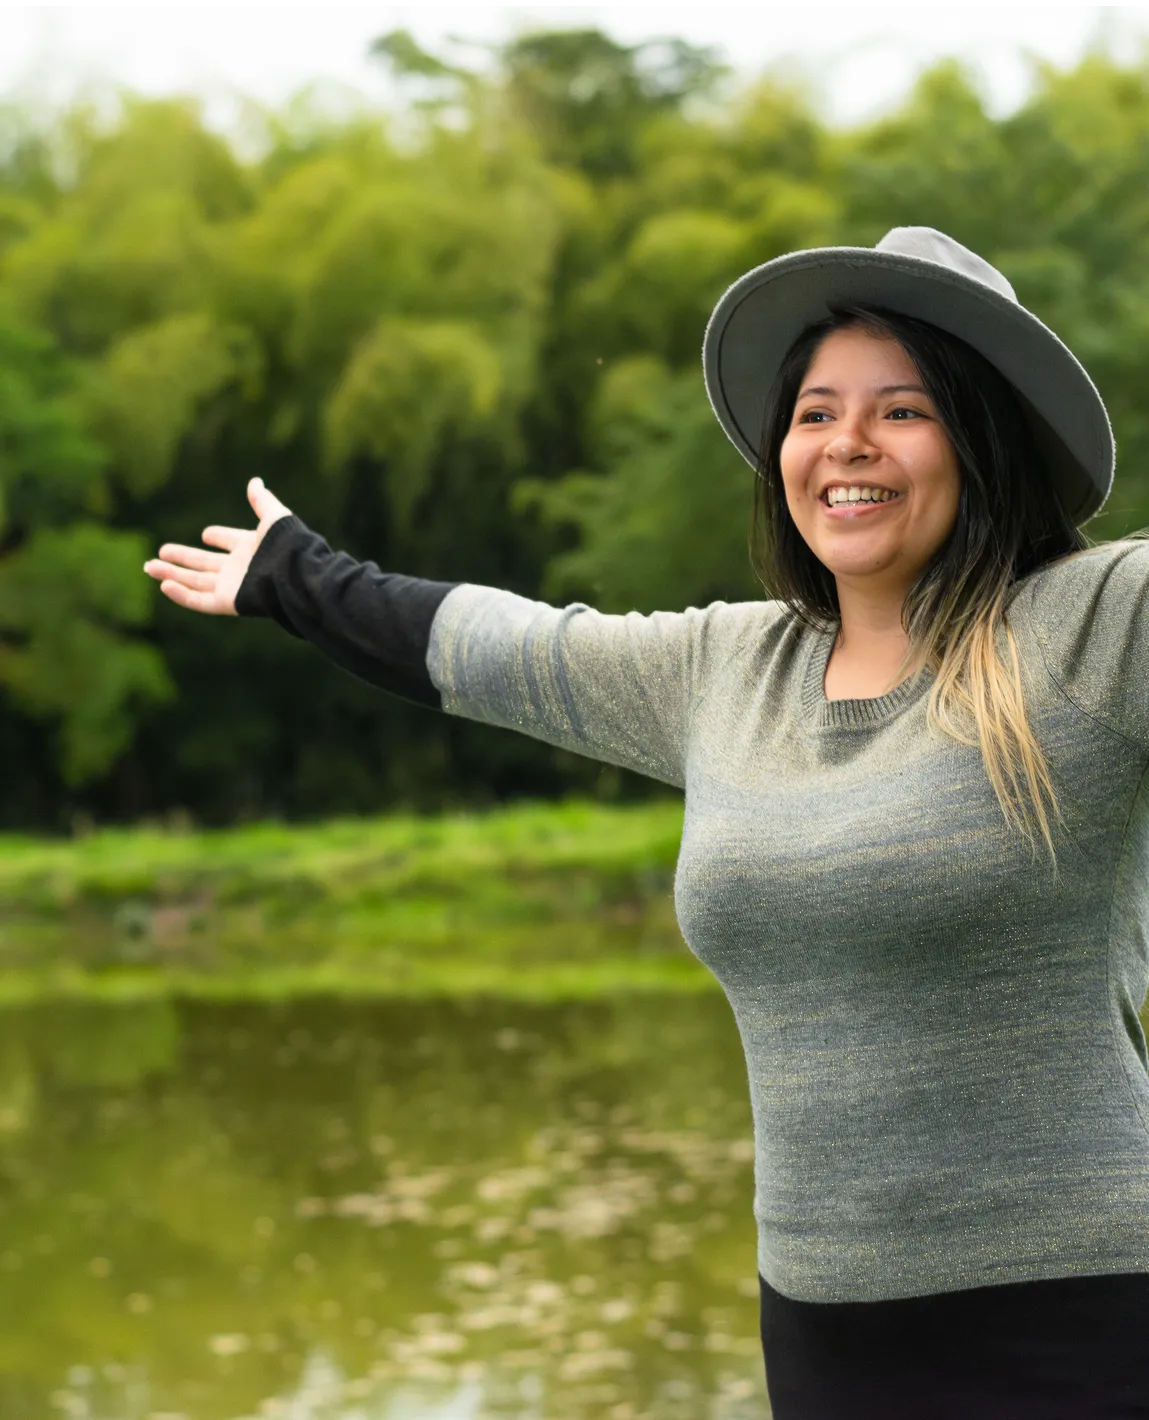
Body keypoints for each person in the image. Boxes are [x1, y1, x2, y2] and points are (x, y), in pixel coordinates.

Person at [144, 227, 1149, 1418]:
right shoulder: (725, 669)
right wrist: (296, 575)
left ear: (984, 443)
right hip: (826, 1323)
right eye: (816, 411)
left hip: (1084, 1307)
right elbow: (507, 647)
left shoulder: (1093, 625)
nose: (849, 446)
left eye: (906, 409)